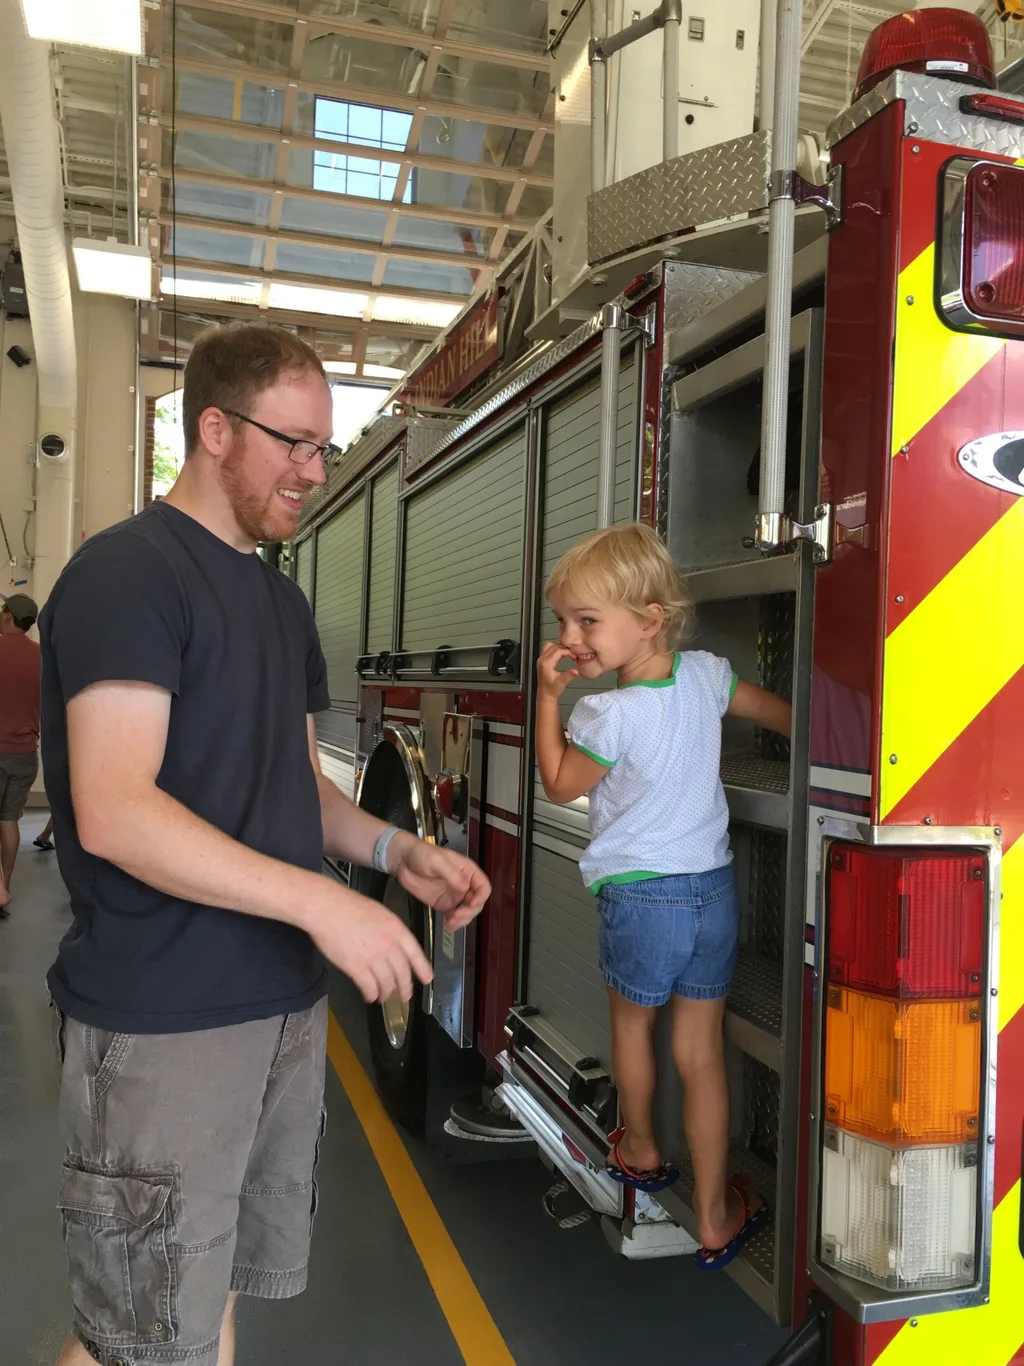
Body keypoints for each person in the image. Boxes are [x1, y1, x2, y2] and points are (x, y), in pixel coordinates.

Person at [40, 322, 491, 1366]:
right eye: (291, 442)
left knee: (198, 1308)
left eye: (321, 448)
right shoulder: (128, 576)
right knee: (139, 1339)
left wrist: (389, 854)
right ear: (211, 429)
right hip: (165, 1025)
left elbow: (293, 791)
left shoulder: (280, 604)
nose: (312, 470)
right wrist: (319, 903)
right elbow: (113, 807)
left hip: (275, 1014)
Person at [535, 523, 790, 1270]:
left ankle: (642, 1145)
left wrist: (549, 697)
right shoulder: (708, 676)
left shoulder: (608, 714)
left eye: (587, 621)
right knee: (701, 1052)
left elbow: (558, 783)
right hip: (712, 896)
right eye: (564, 622)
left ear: (649, 618)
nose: (571, 637)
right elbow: (779, 714)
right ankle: (714, 1215)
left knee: (633, 1032)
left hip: (642, 904)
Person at [0, 590, 41, 915]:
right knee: (9, 819)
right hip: (26, 753)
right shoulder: (41, 656)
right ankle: (6, 886)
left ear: (8, 616)